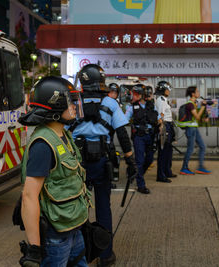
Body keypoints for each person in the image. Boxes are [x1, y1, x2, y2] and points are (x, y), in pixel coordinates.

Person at [18, 76, 91, 266]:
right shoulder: (43, 144)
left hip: (73, 226)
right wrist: (34, 248)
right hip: (55, 235)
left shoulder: (64, 135)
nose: (75, 107)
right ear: (55, 108)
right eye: (70, 102)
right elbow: (29, 196)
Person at [69, 64, 137, 267]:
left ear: (82, 81)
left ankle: (78, 253)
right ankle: (105, 254)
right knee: (103, 208)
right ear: (101, 81)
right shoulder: (111, 102)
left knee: (76, 207)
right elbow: (123, 134)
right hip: (101, 162)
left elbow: (61, 132)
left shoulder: (73, 102)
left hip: (76, 163)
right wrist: (130, 160)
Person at [125, 84, 160, 194]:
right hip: (139, 136)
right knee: (139, 160)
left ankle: (136, 174)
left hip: (150, 135)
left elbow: (158, 117)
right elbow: (124, 119)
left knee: (149, 159)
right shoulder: (131, 107)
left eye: (135, 94)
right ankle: (141, 185)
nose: (133, 96)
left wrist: (161, 121)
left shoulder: (151, 106)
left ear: (142, 95)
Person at [179, 86, 211, 175]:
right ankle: (184, 168)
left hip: (194, 128)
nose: (198, 93)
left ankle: (200, 167)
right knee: (190, 149)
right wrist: (203, 107)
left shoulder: (194, 104)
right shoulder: (190, 104)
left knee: (202, 147)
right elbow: (197, 116)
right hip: (190, 129)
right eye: (197, 91)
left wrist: (204, 119)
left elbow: (195, 118)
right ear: (193, 94)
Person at [155, 81, 176, 183]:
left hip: (169, 125)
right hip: (164, 126)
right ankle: (161, 175)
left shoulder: (164, 100)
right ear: (163, 89)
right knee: (163, 152)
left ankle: (167, 171)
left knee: (168, 151)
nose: (169, 91)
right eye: (168, 89)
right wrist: (162, 128)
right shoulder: (161, 100)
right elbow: (160, 115)